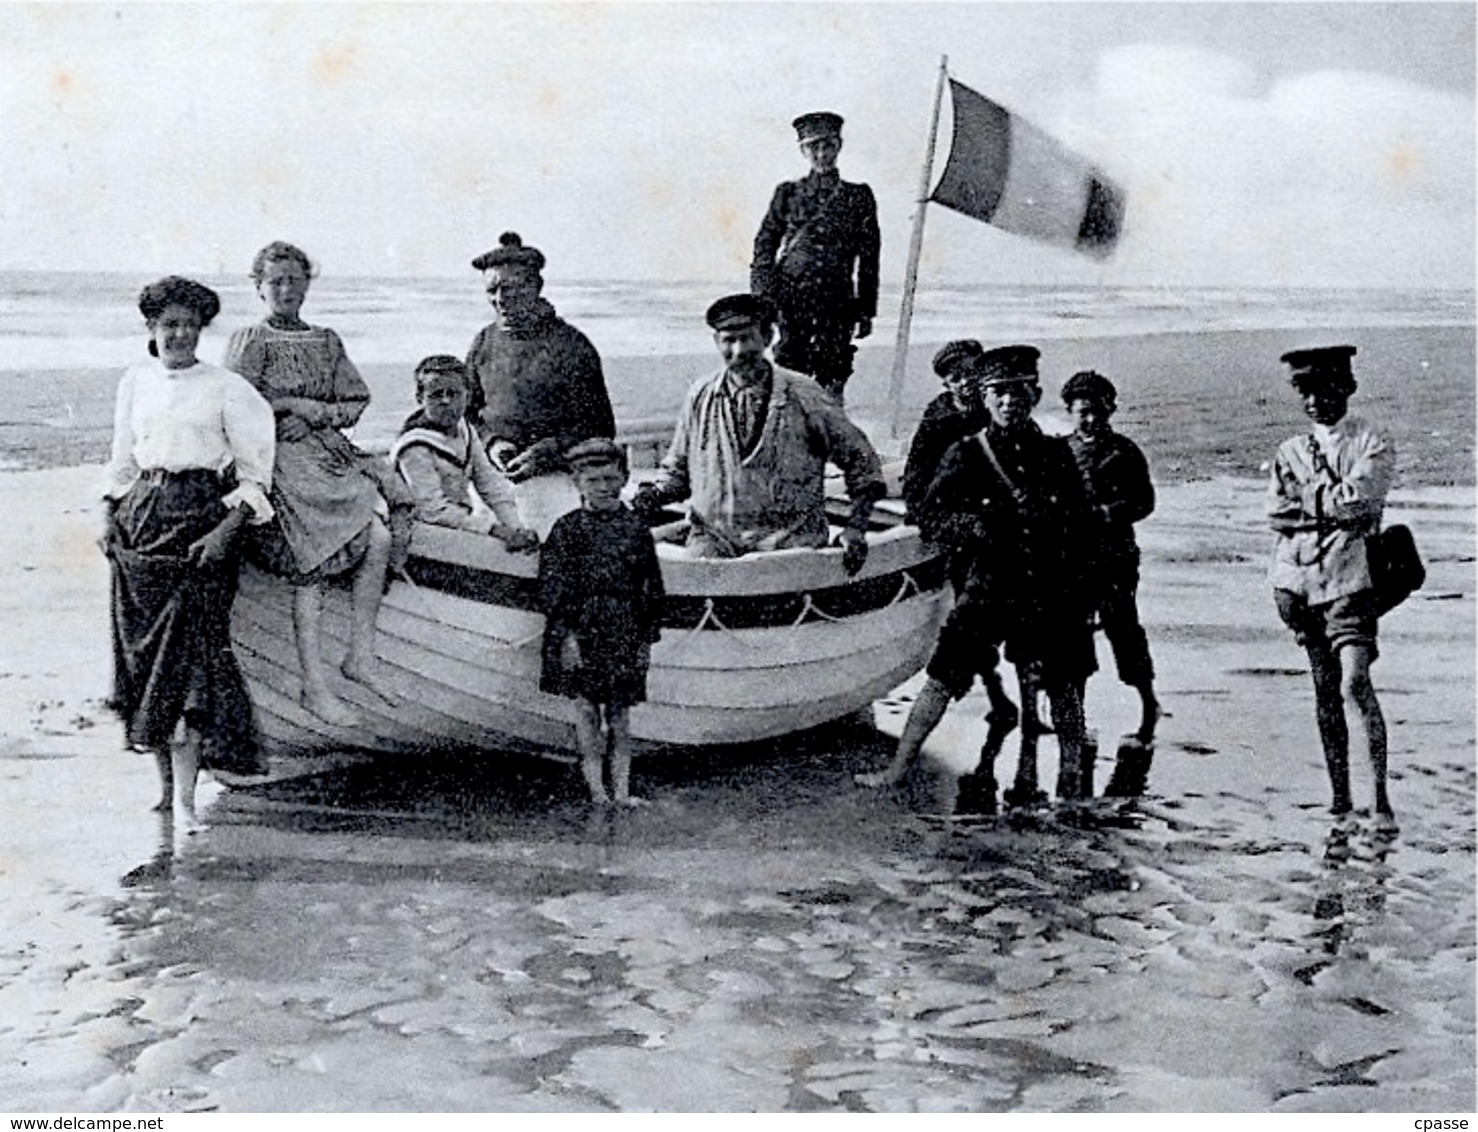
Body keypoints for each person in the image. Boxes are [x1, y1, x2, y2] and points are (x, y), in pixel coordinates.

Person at [856, 345, 1095, 801]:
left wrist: (1081, 587)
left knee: (1063, 683)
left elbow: (1081, 524)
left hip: (1047, 584)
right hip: (989, 582)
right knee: (944, 674)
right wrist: (975, 526)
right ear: (985, 399)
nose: (1009, 402)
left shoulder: (1056, 454)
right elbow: (928, 514)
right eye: (999, 393)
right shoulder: (966, 454)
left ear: (1036, 394)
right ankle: (898, 766)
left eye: (1019, 392)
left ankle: (1071, 775)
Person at [103, 277, 276, 832]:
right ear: (151, 329)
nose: (178, 334)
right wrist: (106, 513)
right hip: (140, 526)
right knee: (145, 663)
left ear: (202, 329)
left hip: (200, 523)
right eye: (167, 324)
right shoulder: (135, 381)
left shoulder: (227, 388)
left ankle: (185, 802)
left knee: (192, 665)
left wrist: (227, 530)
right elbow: (121, 463)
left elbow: (255, 479)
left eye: (188, 324)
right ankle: (162, 790)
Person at [225, 241, 410, 727]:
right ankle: (313, 684)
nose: (286, 289)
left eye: (294, 280)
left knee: (381, 536)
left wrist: (316, 414)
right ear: (259, 287)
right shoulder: (251, 340)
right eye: (275, 281)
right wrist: (286, 408)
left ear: (307, 283)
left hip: (325, 454)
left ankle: (361, 655)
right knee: (313, 557)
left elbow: (353, 402)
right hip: (278, 461)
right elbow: (231, 408)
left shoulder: (326, 340)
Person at [631, 294, 885, 570]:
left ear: (768, 337)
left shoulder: (805, 395)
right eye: (729, 340)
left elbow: (863, 464)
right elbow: (678, 472)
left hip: (789, 544)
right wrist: (651, 498)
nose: (738, 350)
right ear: (716, 342)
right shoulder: (700, 395)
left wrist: (856, 529)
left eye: (747, 338)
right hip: (714, 540)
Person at [1268, 345, 1397, 830]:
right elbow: (1274, 515)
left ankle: (1380, 798)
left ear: (1347, 388)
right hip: (1298, 584)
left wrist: (1308, 505)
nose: (1317, 400)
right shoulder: (1290, 450)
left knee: (1354, 682)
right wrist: (1328, 504)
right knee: (1325, 693)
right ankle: (1341, 799)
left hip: (1352, 578)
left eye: (1327, 389)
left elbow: (1361, 502)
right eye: (1307, 391)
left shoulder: (1371, 439)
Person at [538, 439, 666, 806]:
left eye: (611, 479)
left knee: (621, 716)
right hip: (580, 631)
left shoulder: (635, 529)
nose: (604, 487)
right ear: (577, 484)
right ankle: (597, 792)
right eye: (593, 481)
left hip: (624, 629)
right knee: (586, 713)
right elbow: (552, 590)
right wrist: (568, 638)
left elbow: (651, 589)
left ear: (625, 479)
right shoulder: (566, 530)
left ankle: (622, 791)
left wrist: (645, 640)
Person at [465, 232, 616, 535]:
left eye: (511, 288)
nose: (500, 299)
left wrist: (548, 453)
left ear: (535, 287)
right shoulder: (483, 342)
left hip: (558, 479)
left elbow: (600, 426)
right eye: (491, 290)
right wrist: (493, 443)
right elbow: (467, 414)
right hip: (494, 477)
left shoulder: (571, 345)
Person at [903, 339, 1019, 727]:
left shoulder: (997, 408)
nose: (965, 383)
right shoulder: (937, 420)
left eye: (971, 374)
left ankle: (1008, 698)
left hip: (1002, 524)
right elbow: (916, 481)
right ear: (946, 385)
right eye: (956, 379)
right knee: (968, 616)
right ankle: (997, 695)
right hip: (958, 528)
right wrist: (937, 522)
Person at [1062, 369, 1163, 745]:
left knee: (1123, 630)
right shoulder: (1060, 451)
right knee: (1075, 639)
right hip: (1071, 560)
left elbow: (1145, 501)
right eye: (1082, 411)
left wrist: (1108, 513)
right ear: (1069, 411)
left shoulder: (1125, 451)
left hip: (1115, 558)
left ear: (1111, 410)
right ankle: (1078, 717)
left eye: (1097, 411)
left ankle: (1148, 704)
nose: (1090, 419)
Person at [750, 111, 881, 402]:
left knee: (833, 380)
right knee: (787, 377)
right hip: (791, 299)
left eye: (828, 146)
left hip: (836, 303)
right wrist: (763, 299)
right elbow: (764, 246)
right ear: (803, 150)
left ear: (839, 146)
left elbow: (869, 258)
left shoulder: (858, 196)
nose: (821, 154)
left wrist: (865, 310)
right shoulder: (787, 193)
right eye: (813, 147)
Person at [389, 355, 539, 551]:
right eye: (436, 395)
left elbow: (489, 484)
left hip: (457, 524)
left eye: (453, 394)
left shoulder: (465, 429)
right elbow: (432, 510)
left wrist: (516, 527)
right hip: (419, 534)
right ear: (420, 398)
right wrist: (494, 530)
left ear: (467, 396)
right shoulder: (414, 446)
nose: (445, 401)